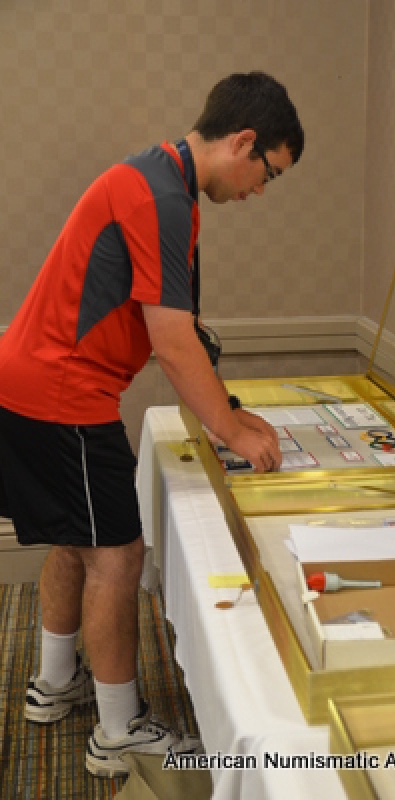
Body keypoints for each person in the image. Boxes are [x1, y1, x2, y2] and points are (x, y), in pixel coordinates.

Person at [0, 71, 304, 777]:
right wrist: (231, 429)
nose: (261, 190)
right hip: (62, 394)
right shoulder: (162, 196)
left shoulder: (159, 180)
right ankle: (119, 731)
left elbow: (179, 326)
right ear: (245, 142)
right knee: (118, 557)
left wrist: (226, 407)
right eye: (270, 173)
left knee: (77, 539)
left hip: (33, 381)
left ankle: (54, 682)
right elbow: (171, 339)